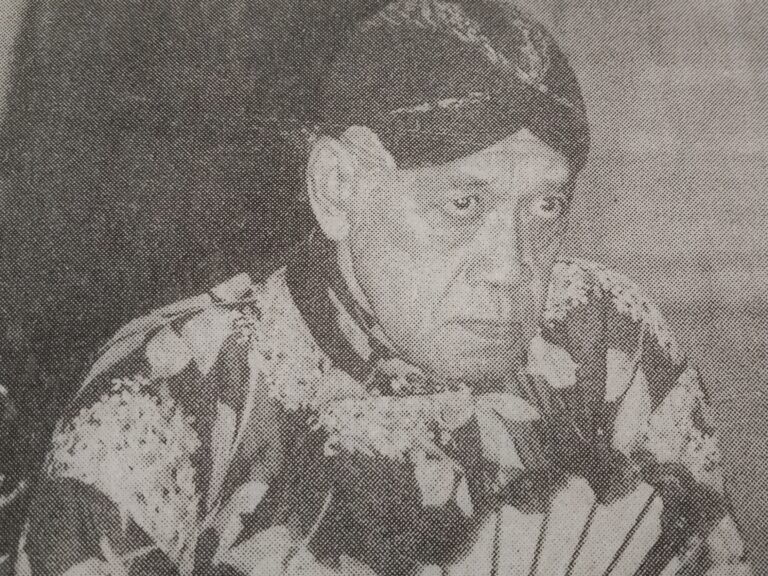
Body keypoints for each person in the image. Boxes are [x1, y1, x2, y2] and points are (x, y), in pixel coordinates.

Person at [17, 1, 752, 574]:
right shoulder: (170, 395)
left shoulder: (607, 345)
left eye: (545, 208)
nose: (511, 268)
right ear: (339, 189)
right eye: (461, 205)